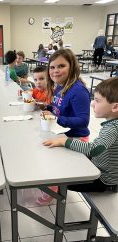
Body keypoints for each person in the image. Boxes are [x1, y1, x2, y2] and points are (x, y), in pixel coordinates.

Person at [43, 77, 118, 193]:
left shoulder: (113, 128)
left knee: (56, 177)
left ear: (115, 107)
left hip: (103, 181)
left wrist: (64, 141)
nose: (92, 103)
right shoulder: (113, 124)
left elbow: (94, 149)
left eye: (97, 100)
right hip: (99, 168)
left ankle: (54, 195)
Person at [37, 49, 91, 205]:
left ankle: (53, 188)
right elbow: (57, 108)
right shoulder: (60, 86)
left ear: (72, 67)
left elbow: (83, 121)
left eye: (61, 66)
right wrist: (48, 107)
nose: (55, 71)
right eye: (52, 67)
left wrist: (58, 119)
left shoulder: (78, 91)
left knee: (46, 155)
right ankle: (50, 184)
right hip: (62, 133)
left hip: (77, 137)